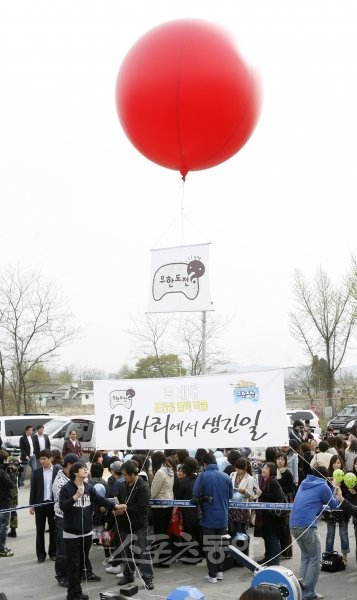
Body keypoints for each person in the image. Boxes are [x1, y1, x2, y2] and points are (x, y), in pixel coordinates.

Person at [59, 461, 122, 600]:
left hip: (86, 532)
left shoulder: (88, 486)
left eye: (86, 468)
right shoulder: (66, 488)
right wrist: (75, 497)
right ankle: (72, 594)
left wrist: (115, 506)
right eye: (83, 468)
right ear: (75, 472)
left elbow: (100, 499)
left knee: (82, 563)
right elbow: (63, 506)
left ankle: (77, 592)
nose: (86, 470)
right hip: (71, 534)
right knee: (73, 565)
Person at [290, 466, 340, 600]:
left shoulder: (304, 483)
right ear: (326, 476)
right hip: (307, 526)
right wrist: (333, 486)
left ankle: (301, 590)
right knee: (315, 560)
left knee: (306, 557)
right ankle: (309, 593)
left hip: (293, 524)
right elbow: (334, 504)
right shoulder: (323, 486)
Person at [192, 452, 233, 583]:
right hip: (223, 517)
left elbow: (195, 493)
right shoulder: (226, 476)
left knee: (211, 546)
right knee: (220, 545)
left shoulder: (202, 476)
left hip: (208, 517)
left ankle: (212, 575)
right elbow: (230, 495)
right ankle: (220, 571)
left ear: (204, 464)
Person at [114, 460, 154, 590]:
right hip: (123, 524)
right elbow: (118, 500)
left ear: (133, 474)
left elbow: (142, 507)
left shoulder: (143, 486)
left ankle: (148, 578)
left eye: (125, 474)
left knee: (142, 552)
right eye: (123, 474)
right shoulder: (123, 486)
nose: (123, 477)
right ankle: (128, 575)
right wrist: (114, 507)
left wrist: (124, 509)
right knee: (125, 552)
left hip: (139, 525)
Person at [52, 453, 80, 587]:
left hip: (75, 516)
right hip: (62, 518)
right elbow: (64, 503)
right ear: (69, 465)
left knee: (74, 548)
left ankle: (73, 574)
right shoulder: (59, 482)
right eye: (76, 465)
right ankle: (61, 575)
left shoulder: (74, 477)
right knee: (63, 549)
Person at [29, 449, 60, 562]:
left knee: (53, 530)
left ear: (50, 458)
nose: (41, 461)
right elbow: (33, 490)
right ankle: (41, 555)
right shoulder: (37, 472)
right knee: (40, 530)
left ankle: (53, 552)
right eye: (40, 459)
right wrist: (32, 505)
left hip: (53, 506)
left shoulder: (57, 471)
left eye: (44, 459)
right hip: (40, 505)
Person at [255, 462, 286, 566]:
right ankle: (268, 558)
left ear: (271, 471)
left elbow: (275, 497)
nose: (263, 469)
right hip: (266, 516)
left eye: (267, 468)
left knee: (272, 538)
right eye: (263, 467)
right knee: (267, 537)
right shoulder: (264, 481)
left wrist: (261, 494)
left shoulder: (272, 482)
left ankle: (274, 561)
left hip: (273, 517)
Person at [174, 457, 202, 564]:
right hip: (199, 510)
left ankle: (192, 557)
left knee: (190, 533)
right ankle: (199, 555)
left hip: (188, 512)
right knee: (198, 532)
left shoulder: (185, 482)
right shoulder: (199, 478)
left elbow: (178, 495)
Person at [150, 451, 174, 567]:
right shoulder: (170, 470)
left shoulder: (160, 472)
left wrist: (148, 498)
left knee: (160, 533)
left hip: (159, 505)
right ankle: (166, 558)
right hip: (168, 503)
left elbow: (153, 492)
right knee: (165, 532)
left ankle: (163, 560)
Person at [324, 454, 349, 564]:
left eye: (339, 462)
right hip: (331, 510)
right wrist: (333, 485)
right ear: (331, 464)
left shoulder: (346, 476)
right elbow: (325, 493)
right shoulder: (327, 476)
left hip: (343, 510)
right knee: (330, 533)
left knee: (343, 534)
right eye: (335, 462)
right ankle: (328, 555)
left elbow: (348, 493)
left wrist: (341, 486)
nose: (337, 464)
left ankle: (344, 555)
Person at [228, 457, 255, 558]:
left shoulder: (250, 478)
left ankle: (243, 555)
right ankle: (234, 554)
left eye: (240, 469)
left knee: (241, 532)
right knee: (232, 531)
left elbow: (251, 496)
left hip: (242, 508)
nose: (238, 471)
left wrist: (245, 492)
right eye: (237, 468)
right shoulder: (232, 475)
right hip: (232, 507)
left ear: (245, 469)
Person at [275, 452, 294, 559]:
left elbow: (291, 489)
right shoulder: (273, 472)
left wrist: (280, 490)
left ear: (285, 461)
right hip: (274, 503)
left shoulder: (287, 473)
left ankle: (287, 552)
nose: (280, 461)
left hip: (284, 503)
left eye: (282, 459)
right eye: (278, 459)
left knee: (285, 528)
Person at [0, 449, 16, 557]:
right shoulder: (2, 472)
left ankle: (1, 546)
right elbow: (11, 484)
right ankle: (1, 549)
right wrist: (13, 474)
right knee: (4, 526)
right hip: (4, 501)